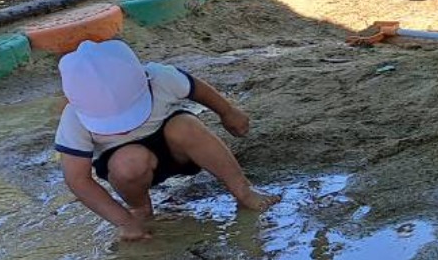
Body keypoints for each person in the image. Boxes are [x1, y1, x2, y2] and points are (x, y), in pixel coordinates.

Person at [53, 38, 275, 242]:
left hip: (177, 150)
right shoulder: (73, 118)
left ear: (144, 79)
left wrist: (227, 112)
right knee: (128, 163)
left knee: (186, 127)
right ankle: (139, 209)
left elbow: (197, 89)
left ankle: (242, 190)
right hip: (129, 168)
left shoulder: (160, 77)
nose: (126, 127)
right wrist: (124, 221)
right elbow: (77, 179)